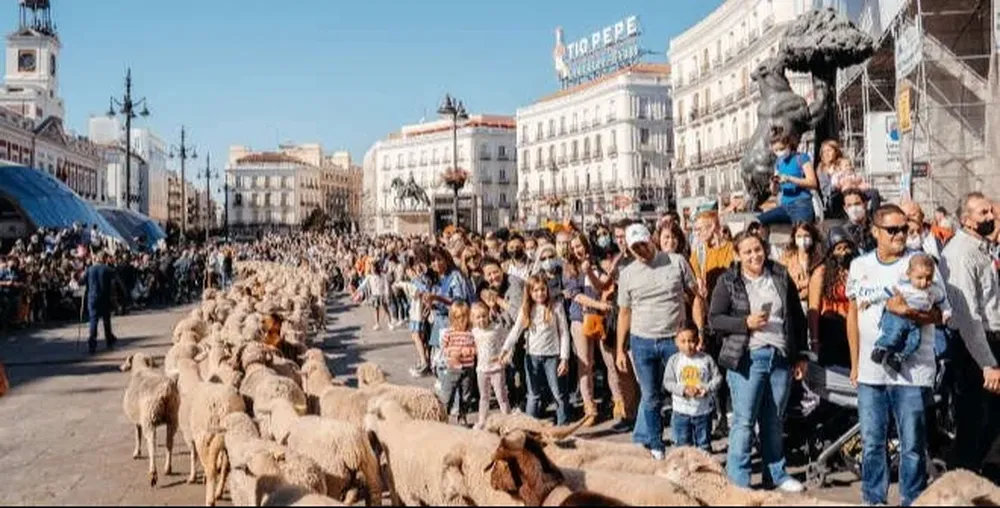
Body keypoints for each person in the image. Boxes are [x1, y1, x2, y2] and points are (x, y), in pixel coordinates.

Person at [847, 204, 945, 506]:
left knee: (912, 444)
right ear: (876, 232)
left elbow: (941, 315)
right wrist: (854, 364)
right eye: (893, 229)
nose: (901, 234)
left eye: (904, 228)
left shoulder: (921, 263)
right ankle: (874, 499)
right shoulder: (860, 266)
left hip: (911, 372)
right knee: (873, 442)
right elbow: (852, 316)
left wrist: (909, 311)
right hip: (870, 371)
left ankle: (911, 498)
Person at [708, 231, 808, 492]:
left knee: (774, 419)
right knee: (744, 420)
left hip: (780, 357)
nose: (755, 255)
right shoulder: (728, 281)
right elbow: (714, 319)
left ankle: (775, 473)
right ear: (738, 255)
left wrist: (801, 356)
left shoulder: (780, 275)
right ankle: (738, 481)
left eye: (758, 249)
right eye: (748, 251)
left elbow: (797, 317)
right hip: (747, 357)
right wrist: (744, 323)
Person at [615, 223, 700, 460]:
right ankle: (655, 445)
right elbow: (624, 312)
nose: (640, 250)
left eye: (643, 244)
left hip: (675, 340)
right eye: (634, 248)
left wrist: (698, 332)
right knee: (650, 396)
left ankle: (686, 443)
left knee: (683, 392)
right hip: (642, 341)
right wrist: (621, 350)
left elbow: (695, 298)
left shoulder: (676, 262)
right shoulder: (627, 274)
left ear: (651, 239)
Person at [939, 192, 1000, 481]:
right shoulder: (961, 253)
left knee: (991, 417)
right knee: (974, 416)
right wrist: (987, 363)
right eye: (983, 213)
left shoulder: (981, 249)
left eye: (991, 211)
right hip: (975, 345)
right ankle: (964, 478)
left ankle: (988, 475)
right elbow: (968, 315)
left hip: (990, 339)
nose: (990, 217)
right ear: (966, 220)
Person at [500, 275, 571, 425]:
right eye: (535, 290)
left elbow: (564, 333)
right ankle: (529, 427)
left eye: (543, 289)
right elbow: (516, 330)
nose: (540, 293)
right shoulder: (527, 309)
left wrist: (564, 358)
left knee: (557, 393)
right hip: (532, 357)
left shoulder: (556, 306)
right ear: (530, 292)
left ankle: (562, 426)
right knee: (533, 394)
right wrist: (505, 348)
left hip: (552, 356)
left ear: (547, 289)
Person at [563, 232, 616, 423]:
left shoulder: (597, 263)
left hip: (601, 319)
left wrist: (590, 272)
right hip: (580, 318)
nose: (578, 250)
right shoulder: (569, 268)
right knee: (585, 363)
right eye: (574, 247)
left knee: (610, 361)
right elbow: (575, 295)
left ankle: (619, 402)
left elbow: (603, 285)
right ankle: (589, 408)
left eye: (580, 245)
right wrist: (598, 305)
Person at [870, 254, 951, 373]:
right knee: (894, 334)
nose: (924, 282)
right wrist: (871, 300)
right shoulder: (904, 287)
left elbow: (943, 300)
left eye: (929, 278)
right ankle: (880, 348)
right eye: (920, 278)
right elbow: (886, 293)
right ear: (909, 275)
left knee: (915, 342)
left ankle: (898, 358)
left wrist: (946, 312)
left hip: (915, 322)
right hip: (898, 317)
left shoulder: (932, 290)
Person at [662, 327, 721, 452]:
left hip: (702, 412)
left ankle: (704, 469)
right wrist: (683, 389)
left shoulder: (706, 359)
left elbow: (718, 379)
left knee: (703, 446)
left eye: (691, 341)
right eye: (683, 341)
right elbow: (668, 382)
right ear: (676, 342)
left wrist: (707, 388)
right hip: (681, 412)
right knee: (682, 447)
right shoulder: (674, 360)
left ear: (698, 340)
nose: (688, 345)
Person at [808, 227, 857, 367]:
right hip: (831, 329)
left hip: (853, 330)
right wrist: (814, 341)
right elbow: (813, 309)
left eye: (847, 247)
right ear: (831, 252)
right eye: (839, 248)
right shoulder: (822, 273)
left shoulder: (856, 270)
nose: (844, 252)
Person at [757, 132, 818, 226]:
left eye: (781, 149)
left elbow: (813, 183)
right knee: (758, 222)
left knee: (802, 230)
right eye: (776, 150)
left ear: (789, 145)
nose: (779, 152)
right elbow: (774, 192)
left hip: (801, 204)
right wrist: (773, 183)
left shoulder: (801, 158)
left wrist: (790, 179)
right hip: (784, 206)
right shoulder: (778, 162)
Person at [471, 302, 510, 429]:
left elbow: (506, 343)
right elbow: (472, 347)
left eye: (484, 316)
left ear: (488, 315)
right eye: (478, 317)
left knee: (501, 395)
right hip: (482, 369)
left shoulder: (496, 328)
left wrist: (506, 357)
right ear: (473, 319)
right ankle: (482, 420)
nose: (481, 319)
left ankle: (507, 419)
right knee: (484, 396)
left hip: (496, 368)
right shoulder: (474, 332)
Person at [438, 302, 477, 425]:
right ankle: (444, 417)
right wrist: (452, 352)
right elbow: (443, 348)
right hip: (452, 368)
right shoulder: (449, 333)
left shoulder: (471, 333)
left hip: (468, 368)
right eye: (458, 317)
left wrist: (470, 350)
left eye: (464, 317)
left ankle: (462, 416)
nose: (461, 320)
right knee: (448, 395)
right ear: (452, 318)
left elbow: (477, 348)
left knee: (466, 395)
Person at [83, 251, 119, 355]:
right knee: (106, 321)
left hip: (92, 298)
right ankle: (109, 341)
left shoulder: (89, 270)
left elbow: (81, 281)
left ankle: (92, 344)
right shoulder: (108, 269)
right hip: (104, 298)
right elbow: (115, 279)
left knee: (93, 321)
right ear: (105, 259)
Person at [781, 222, 823, 311]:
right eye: (799, 236)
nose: (803, 239)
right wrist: (806, 283)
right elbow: (783, 283)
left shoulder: (820, 259)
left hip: (814, 305)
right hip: (792, 305)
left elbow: (821, 285)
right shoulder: (786, 258)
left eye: (806, 236)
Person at [842, 189, 877, 254]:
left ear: (865, 204)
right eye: (849, 205)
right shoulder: (844, 232)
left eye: (857, 204)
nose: (854, 209)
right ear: (845, 209)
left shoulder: (876, 227)